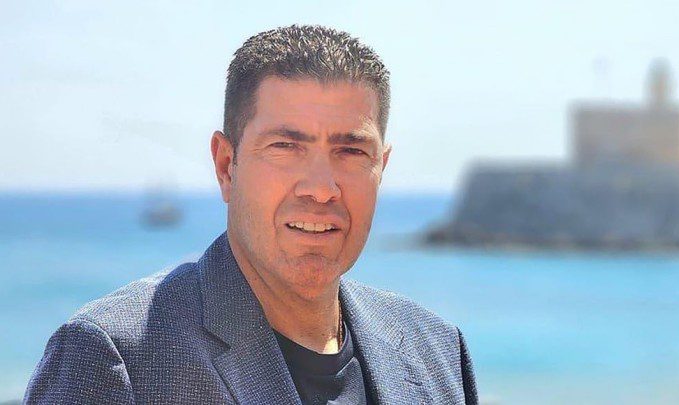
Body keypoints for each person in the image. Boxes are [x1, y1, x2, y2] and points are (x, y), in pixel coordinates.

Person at [24, 25, 478, 404]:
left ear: (381, 167)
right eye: (286, 146)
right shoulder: (116, 358)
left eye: (351, 151)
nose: (321, 188)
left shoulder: (438, 352)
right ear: (227, 165)